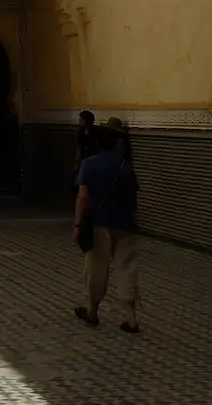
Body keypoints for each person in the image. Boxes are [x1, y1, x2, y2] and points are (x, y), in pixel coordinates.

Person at [74, 116, 140, 332]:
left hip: (99, 224)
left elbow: (83, 198)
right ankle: (130, 318)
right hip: (126, 223)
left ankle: (92, 311)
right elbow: (133, 195)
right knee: (126, 269)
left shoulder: (89, 164)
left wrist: (77, 225)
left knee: (96, 269)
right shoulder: (125, 166)